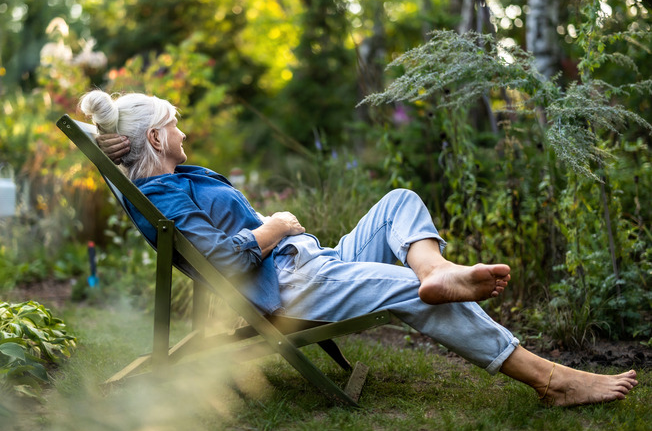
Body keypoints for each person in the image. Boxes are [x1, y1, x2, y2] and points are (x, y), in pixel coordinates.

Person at [79, 90, 638, 407]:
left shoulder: (167, 179)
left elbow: (125, 169)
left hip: (311, 261)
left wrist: (111, 143)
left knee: (399, 200)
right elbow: (224, 261)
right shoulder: (166, 197)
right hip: (292, 284)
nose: (184, 131)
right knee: (406, 290)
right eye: (175, 125)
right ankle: (552, 380)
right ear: (155, 138)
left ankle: (438, 269)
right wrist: (273, 228)